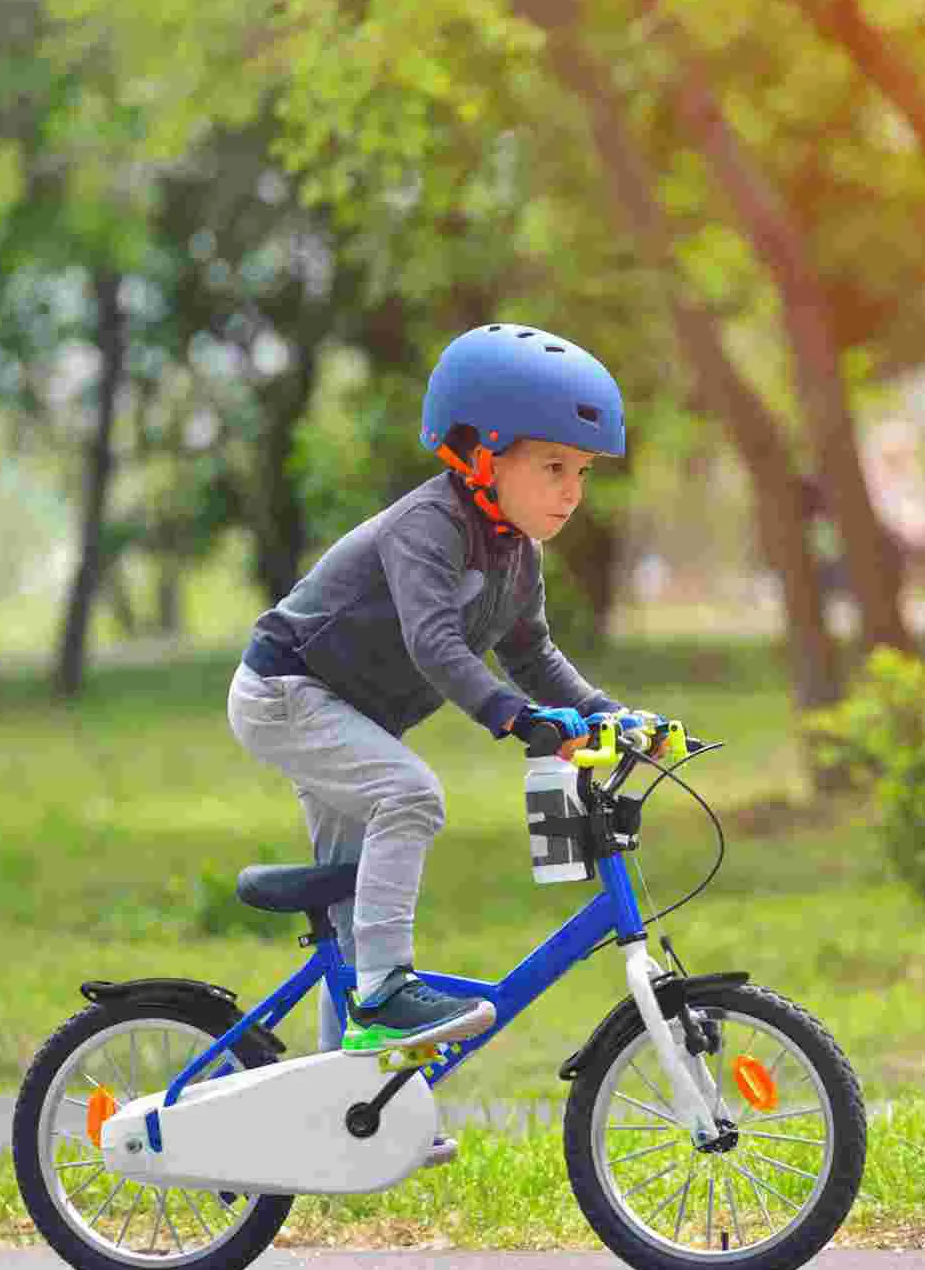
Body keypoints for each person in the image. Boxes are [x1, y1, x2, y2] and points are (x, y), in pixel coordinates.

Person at [227, 321, 633, 1068]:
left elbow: (531, 653)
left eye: (582, 471)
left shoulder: (516, 553)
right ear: (481, 453)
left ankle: (345, 1107)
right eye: (552, 466)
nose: (572, 492)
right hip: (287, 689)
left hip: (346, 712)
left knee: (352, 917)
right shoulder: (428, 526)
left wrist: (611, 715)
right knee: (411, 796)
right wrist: (513, 719)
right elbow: (435, 642)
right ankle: (384, 997)